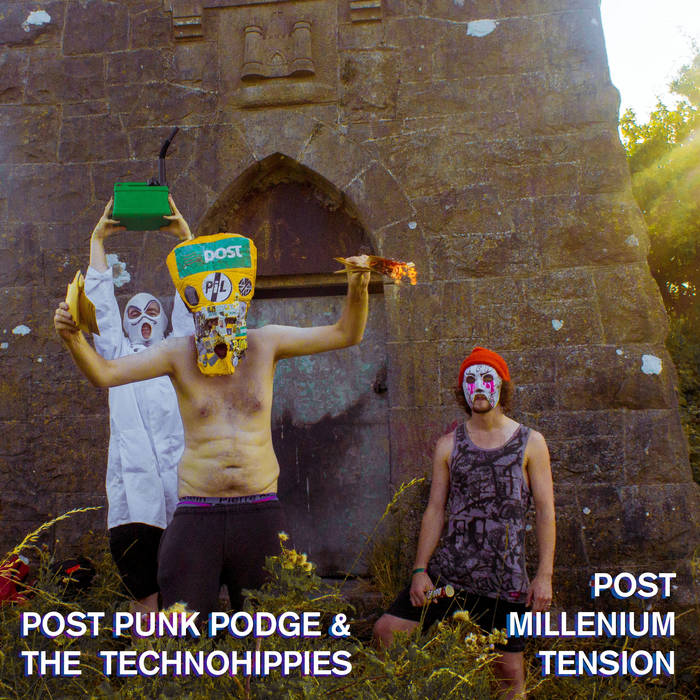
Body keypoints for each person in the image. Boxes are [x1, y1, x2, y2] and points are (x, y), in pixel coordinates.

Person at [54, 222, 371, 620]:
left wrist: (358, 285)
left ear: (243, 299)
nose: (221, 314)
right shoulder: (178, 353)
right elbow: (105, 373)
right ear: (194, 306)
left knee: (266, 629)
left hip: (259, 508)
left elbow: (346, 333)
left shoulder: (266, 342)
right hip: (197, 511)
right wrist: (73, 338)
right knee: (178, 628)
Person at [373, 347, 555, 699]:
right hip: (449, 580)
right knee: (387, 631)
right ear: (462, 391)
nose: (479, 387)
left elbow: (546, 511)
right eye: (470, 380)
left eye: (487, 378)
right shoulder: (448, 445)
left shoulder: (531, 443)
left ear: (502, 385)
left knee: (508, 678)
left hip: (504, 584)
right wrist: (420, 570)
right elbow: (435, 509)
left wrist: (544, 576)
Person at [84, 196, 194, 617]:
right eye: (135, 312)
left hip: (181, 492)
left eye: (152, 311)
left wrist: (185, 240)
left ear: (162, 318)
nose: (144, 318)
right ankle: (145, 660)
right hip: (134, 495)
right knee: (143, 595)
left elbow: (189, 307)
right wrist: (97, 241)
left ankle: (180, 658)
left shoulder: (175, 354)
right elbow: (102, 310)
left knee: (183, 594)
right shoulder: (118, 357)